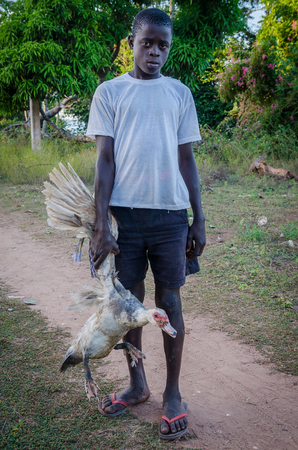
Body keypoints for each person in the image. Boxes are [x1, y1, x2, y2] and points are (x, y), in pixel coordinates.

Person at [86, 7, 206, 440]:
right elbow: (104, 162)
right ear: (131, 43)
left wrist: (198, 218)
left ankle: (173, 394)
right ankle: (138, 384)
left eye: (163, 45)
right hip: (125, 218)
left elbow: (186, 159)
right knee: (131, 308)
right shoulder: (110, 92)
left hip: (171, 217)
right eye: (147, 43)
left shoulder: (179, 93)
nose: (155, 52)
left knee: (169, 303)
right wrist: (102, 225)